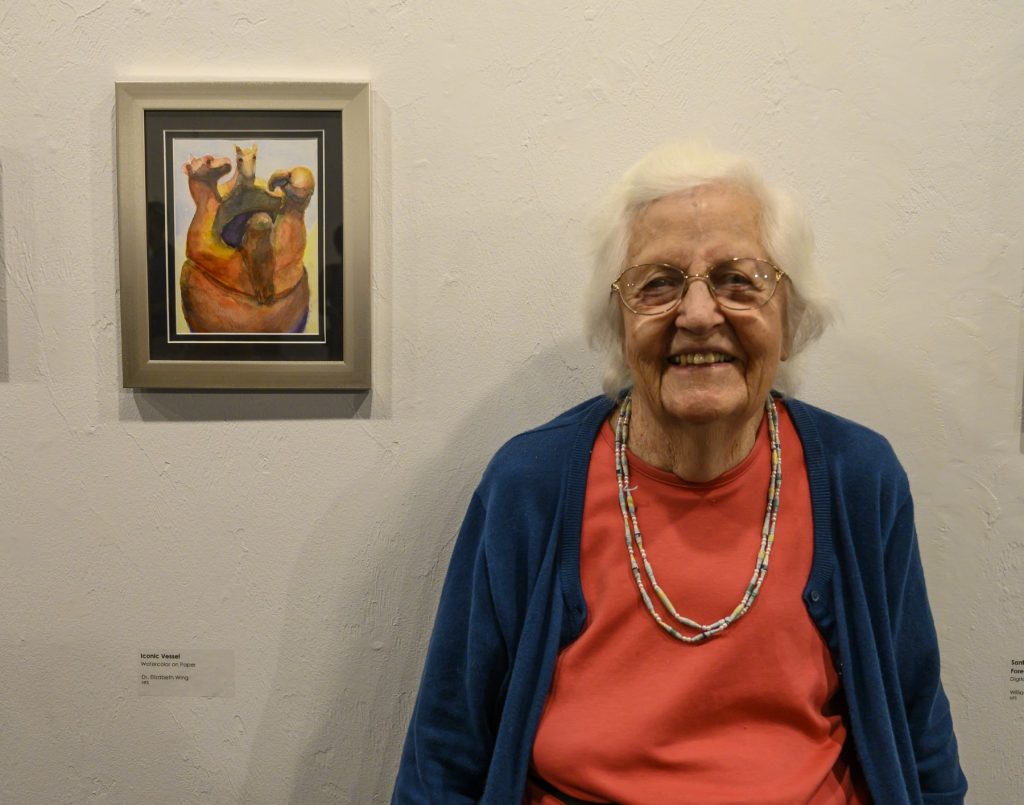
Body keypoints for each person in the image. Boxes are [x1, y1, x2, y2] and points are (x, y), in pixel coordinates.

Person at [392, 142, 967, 804]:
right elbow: (446, 750)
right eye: (658, 283)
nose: (698, 316)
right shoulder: (532, 484)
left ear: (789, 315)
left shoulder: (859, 479)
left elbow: (919, 732)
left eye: (738, 279)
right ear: (619, 318)